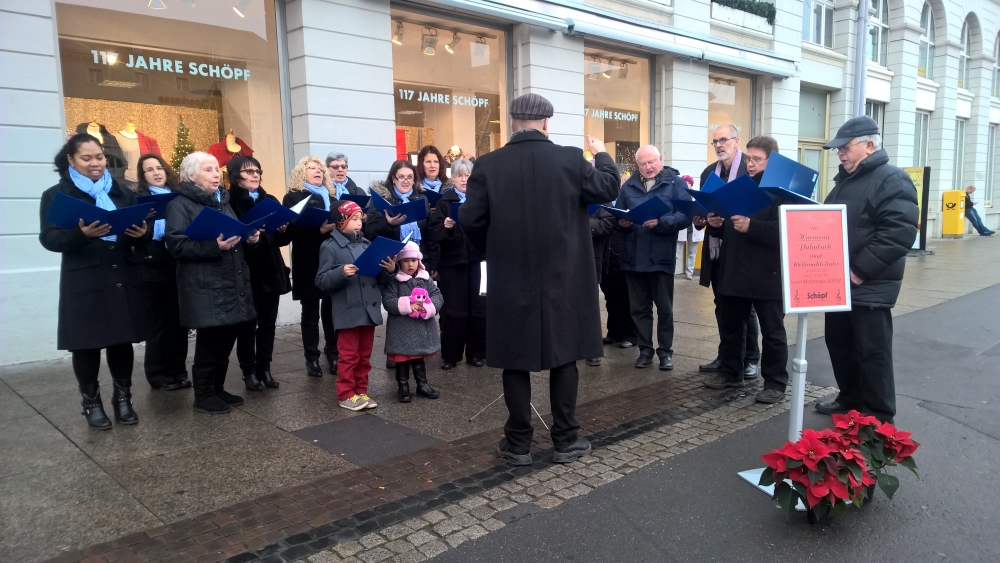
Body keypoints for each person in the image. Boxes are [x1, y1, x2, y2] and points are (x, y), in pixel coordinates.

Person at [461, 93, 620, 466]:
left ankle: (518, 444)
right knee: (565, 357)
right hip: (564, 278)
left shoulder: (487, 164)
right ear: (546, 122)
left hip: (509, 276)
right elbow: (609, 187)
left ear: (513, 121)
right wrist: (601, 153)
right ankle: (566, 439)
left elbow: (470, 220)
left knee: (515, 360)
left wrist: (495, 249)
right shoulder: (569, 159)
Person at [40, 134, 150, 429]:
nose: (95, 163)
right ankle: (91, 403)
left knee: (120, 340)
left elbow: (137, 226)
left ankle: (123, 398)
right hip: (85, 279)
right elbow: (49, 238)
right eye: (86, 158)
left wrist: (143, 234)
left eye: (99, 157)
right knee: (85, 345)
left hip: (120, 274)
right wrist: (82, 235)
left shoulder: (121, 191)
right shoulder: (56, 195)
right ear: (71, 160)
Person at [815, 116, 918, 423]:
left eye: (845, 148)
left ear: (869, 145)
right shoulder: (844, 181)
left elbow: (899, 232)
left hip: (868, 284)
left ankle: (878, 415)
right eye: (838, 149)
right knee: (840, 344)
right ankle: (850, 398)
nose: (840, 154)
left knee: (872, 352)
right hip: (839, 282)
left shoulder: (892, 179)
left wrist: (859, 270)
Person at [164, 152, 260, 415]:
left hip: (231, 281)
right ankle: (203, 395)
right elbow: (177, 244)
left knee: (226, 338)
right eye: (208, 170)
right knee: (209, 340)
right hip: (204, 285)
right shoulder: (179, 205)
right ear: (190, 176)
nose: (216, 174)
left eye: (217, 170)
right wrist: (212, 246)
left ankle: (217, 389)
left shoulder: (222, 201)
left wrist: (247, 238)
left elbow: (232, 233)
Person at [697, 136, 788, 404]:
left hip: (767, 273)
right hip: (735, 268)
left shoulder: (783, 191)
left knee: (772, 332)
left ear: (772, 161)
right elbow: (727, 227)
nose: (750, 164)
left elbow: (785, 230)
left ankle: (774, 382)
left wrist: (753, 227)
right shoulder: (738, 186)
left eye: (757, 159)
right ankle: (731, 372)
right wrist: (714, 223)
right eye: (748, 158)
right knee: (731, 326)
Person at [315, 201, 395, 411]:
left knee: (364, 355)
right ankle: (346, 394)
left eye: (361, 218)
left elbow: (379, 278)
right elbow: (321, 280)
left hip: (368, 308)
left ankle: (361, 391)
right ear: (341, 221)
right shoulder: (329, 247)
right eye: (354, 219)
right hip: (348, 309)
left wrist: (389, 270)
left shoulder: (368, 245)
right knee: (348, 355)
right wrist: (341, 273)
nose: (359, 223)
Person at [616, 145, 691, 370]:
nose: (648, 167)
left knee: (665, 309)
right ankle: (645, 351)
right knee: (639, 309)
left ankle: (665, 352)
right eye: (642, 164)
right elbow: (618, 216)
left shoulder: (675, 183)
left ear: (661, 159)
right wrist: (621, 223)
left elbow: (686, 216)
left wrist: (661, 223)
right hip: (634, 257)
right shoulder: (628, 186)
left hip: (660, 256)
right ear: (636, 165)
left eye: (652, 162)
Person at [698, 124, 759, 377]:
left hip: (744, 250)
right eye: (715, 141)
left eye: (724, 140)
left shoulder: (750, 169)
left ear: (737, 141)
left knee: (747, 307)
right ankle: (727, 355)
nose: (719, 145)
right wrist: (703, 219)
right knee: (721, 305)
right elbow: (703, 207)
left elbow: (759, 209)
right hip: (717, 250)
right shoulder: (708, 173)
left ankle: (751, 357)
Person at [229, 155, 290, 391]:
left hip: (271, 270)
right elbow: (230, 237)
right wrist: (250, 239)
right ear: (235, 175)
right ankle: (249, 371)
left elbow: (281, 240)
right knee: (247, 325)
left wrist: (284, 228)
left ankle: (265, 368)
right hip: (246, 272)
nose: (255, 174)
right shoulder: (230, 202)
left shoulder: (269, 199)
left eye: (257, 170)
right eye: (248, 171)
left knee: (268, 324)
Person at [134, 153, 190, 391]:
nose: (156, 173)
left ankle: (179, 370)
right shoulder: (140, 200)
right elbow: (135, 236)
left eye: (159, 168)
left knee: (180, 322)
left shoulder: (180, 197)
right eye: (149, 170)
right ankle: (158, 374)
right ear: (142, 175)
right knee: (159, 323)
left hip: (178, 262)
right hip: (152, 265)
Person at [427, 158, 486, 370]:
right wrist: (447, 228)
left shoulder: (481, 201)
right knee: (454, 311)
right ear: (453, 178)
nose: (464, 179)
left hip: (479, 263)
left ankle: (477, 353)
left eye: (468, 175)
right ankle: (451, 356)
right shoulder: (445, 202)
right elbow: (435, 235)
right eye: (460, 175)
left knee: (479, 309)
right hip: (453, 265)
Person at [283, 156, 339, 377]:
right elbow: (291, 233)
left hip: (330, 258)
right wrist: (319, 231)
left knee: (331, 311)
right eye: (312, 168)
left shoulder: (332, 197)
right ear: (301, 173)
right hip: (307, 259)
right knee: (310, 313)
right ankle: (311, 358)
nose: (318, 172)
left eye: (321, 169)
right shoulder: (293, 197)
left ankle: (333, 353)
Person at [381, 242, 444, 402]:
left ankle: (422, 384)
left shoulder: (425, 278)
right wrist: (407, 305)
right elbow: (388, 300)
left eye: (414, 260)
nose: (410, 264)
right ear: (399, 262)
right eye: (406, 260)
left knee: (418, 357)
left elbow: (437, 295)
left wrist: (429, 307)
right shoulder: (395, 280)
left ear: (419, 261)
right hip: (401, 329)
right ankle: (403, 387)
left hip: (420, 328)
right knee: (402, 360)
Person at [601, 171, 637, 350]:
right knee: (611, 297)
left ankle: (630, 334)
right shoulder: (603, 199)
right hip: (607, 255)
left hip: (623, 253)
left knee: (626, 297)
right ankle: (613, 332)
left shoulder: (628, 199)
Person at [588, 196, 616, 367]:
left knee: (589, 305)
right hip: (560, 258)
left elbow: (608, 224)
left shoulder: (598, 195)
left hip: (590, 258)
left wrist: (581, 222)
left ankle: (591, 348)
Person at [416, 145, 451, 276]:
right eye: (428, 162)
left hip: (446, 244)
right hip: (425, 245)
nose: (432, 165)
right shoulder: (415, 189)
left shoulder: (450, 186)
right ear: (421, 164)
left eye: (436, 161)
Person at [675, 174, 703, 280]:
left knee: (692, 252)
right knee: (676, 252)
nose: (686, 185)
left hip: (694, 227)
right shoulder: (678, 196)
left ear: (691, 184)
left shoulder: (696, 196)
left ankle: (689, 272)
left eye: (688, 183)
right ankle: (672, 271)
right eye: (684, 183)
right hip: (682, 227)